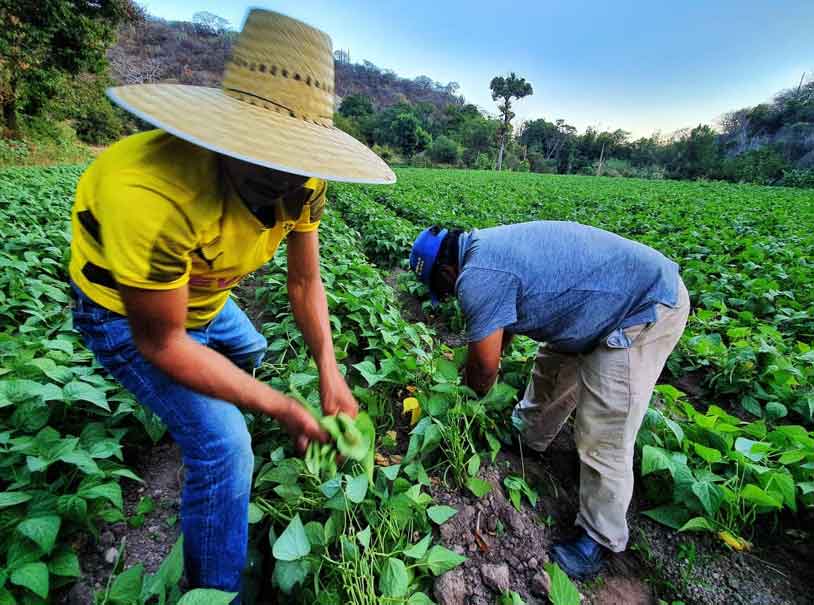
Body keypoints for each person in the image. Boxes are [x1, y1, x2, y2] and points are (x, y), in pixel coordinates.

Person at [68, 9, 394, 600]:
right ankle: (217, 589)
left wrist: (329, 372)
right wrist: (281, 408)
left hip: (200, 300)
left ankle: (197, 408)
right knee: (226, 450)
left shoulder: (304, 180)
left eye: (300, 162)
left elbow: (304, 285)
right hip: (122, 313)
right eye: (272, 159)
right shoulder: (150, 193)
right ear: (226, 136)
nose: (291, 183)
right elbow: (161, 341)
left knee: (251, 347)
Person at [409, 221, 689, 579]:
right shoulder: (484, 250)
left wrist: (463, 405)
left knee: (604, 428)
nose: (448, 296)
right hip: (593, 307)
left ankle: (599, 538)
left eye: (443, 289)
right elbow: (501, 328)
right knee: (551, 371)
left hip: (642, 306)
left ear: (448, 271)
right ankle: (529, 440)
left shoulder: (477, 277)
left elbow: (483, 369)